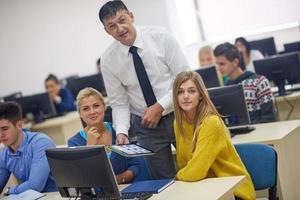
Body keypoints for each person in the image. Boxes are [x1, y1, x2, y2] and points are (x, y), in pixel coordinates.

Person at [99, 1, 190, 179]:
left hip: (180, 114)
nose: (120, 28)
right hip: (147, 126)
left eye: (122, 20)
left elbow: (185, 78)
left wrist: (160, 107)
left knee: (195, 169)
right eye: (112, 26)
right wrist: (122, 131)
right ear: (107, 31)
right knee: (164, 180)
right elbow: (119, 103)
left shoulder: (160, 36)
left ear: (131, 16)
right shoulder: (108, 60)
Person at [172, 71, 255, 200]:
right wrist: (186, 174)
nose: (185, 96)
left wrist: (178, 176)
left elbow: (195, 171)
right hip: (204, 188)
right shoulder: (179, 123)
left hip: (233, 191)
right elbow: (184, 164)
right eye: (180, 92)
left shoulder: (211, 122)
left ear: (201, 95)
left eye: (192, 91)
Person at [68, 87, 149, 184]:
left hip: (128, 187)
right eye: (86, 109)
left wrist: (118, 180)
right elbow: (83, 178)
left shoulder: (119, 130)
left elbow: (136, 164)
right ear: (80, 113)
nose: (92, 112)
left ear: (104, 107)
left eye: (96, 106)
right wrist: (90, 147)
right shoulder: (74, 142)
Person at [0, 102, 57, 195]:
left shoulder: (40, 143)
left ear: (19, 125)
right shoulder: (4, 154)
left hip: (55, 196)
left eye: (5, 129)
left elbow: (35, 186)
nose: (0, 135)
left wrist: (9, 191)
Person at [214, 42, 277, 124]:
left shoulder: (259, 82)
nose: (218, 68)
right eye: (217, 64)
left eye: (222, 64)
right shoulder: (226, 87)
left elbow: (270, 118)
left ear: (235, 62)